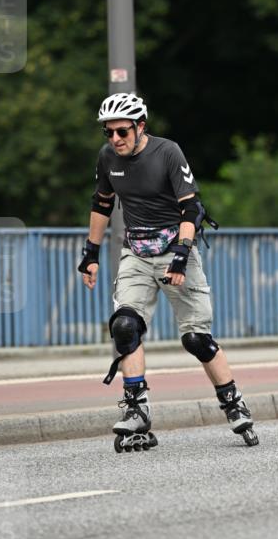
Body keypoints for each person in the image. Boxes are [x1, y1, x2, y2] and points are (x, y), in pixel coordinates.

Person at [78, 92, 259, 453]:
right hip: (136, 253)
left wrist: (180, 255)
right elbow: (101, 203)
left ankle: (233, 401)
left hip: (177, 250)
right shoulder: (108, 157)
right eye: (109, 133)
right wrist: (91, 253)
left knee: (196, 340)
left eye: (122, 132)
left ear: (140, 126)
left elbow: (191, 208)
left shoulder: (167, 153)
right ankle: (137, 410)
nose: (115, 140)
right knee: (124, 326)